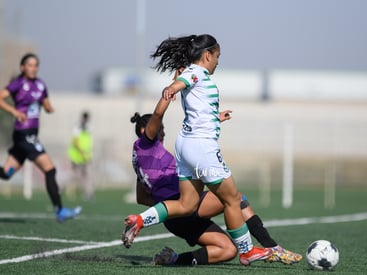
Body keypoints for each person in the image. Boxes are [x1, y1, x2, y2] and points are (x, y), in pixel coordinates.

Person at [122, 34, 272, 266]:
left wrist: (215, 119)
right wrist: (171, 88)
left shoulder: (139, 156)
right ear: (207, 55)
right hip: (200, 146)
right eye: (217, 57)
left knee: (190, 207)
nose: (218, 62)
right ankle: (251, 250)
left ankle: (141, 223)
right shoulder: (197, 72)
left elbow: (143, 197)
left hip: (185, 154)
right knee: (232, 198)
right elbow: (176, 91)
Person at [129, 110, 302, 266]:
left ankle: (173, 259)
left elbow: (141, 198)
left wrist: (166, 208)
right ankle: (271, 246)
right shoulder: (149, 150)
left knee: (228, 250)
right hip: (184, 207)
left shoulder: (145, 162)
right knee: (236, 198)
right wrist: (175, 203)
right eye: (160, 129)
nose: (163, 132)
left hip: (175, 220)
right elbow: (174, 123)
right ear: (145, 131)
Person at [0, 53, 81, 222]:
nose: (33, 68)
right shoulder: (18, 84)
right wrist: (14, 111)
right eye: (29, 65)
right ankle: (60, 210)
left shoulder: (40, 84)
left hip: (29, 136)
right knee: (50, 169)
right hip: (24, 135)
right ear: (23, 67)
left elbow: (45, 104)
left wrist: (49, 107)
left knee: (6, 173)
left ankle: (60, 210)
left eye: (35, 65)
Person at [67, 111, 94, 201]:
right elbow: (75, 141)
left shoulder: (88, 128)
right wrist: (82, 152)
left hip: (86, 156)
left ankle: (88, 193)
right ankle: (68, 191)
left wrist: (86, 153)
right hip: (77, 156)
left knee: (88, 175)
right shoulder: (77, 127)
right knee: (75, 176)